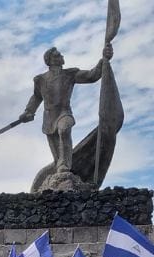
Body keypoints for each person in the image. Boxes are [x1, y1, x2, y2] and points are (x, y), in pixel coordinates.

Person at [19, 44, 113, 174]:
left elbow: (92, 76)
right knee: (57, 153)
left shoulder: (70, 74)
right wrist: (28, 112)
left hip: (64, 113)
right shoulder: (40, 80)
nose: (62, 56)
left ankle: (64, 165)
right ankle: (61, 171)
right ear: (50, 60)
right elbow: (36, 97)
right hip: (49, 119)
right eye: (58, 55)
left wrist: (103, 60)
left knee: (64, 129)